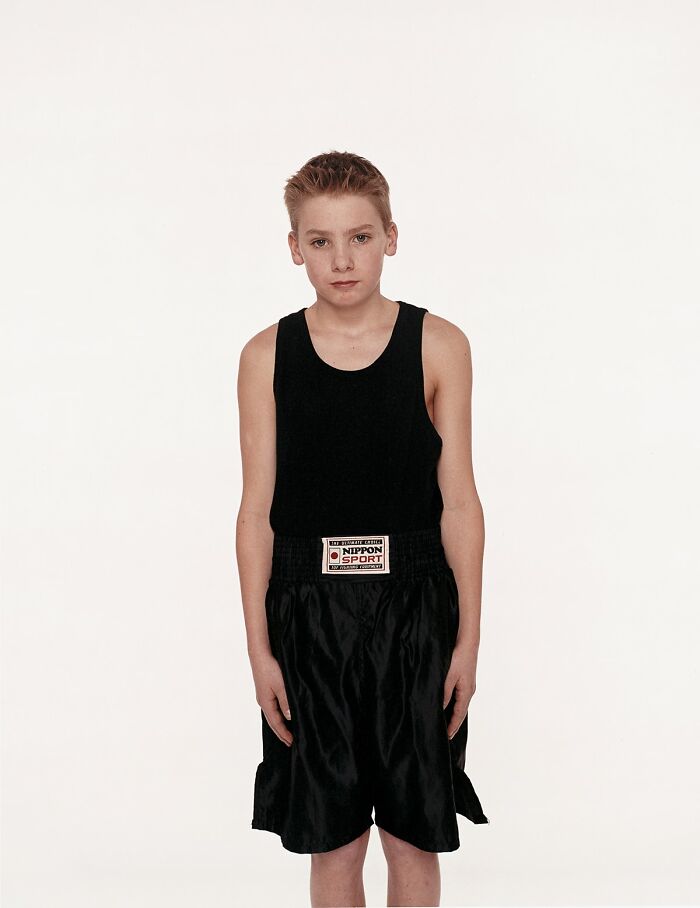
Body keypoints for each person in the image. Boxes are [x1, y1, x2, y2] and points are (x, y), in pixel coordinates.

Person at [236, 150, 489, 908]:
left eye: (359, 237)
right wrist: (260, 651)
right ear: (294, 248)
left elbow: (460, 504)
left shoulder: (439, 344)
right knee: (332, 839)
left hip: (414, 608)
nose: (341, 259)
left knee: (413, 834)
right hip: (309, 612)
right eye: (320, 241)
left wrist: (467, 641)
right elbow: (255, 512)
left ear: (391, 237)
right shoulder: (266, 356)